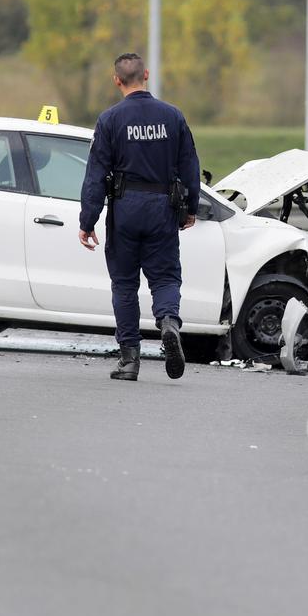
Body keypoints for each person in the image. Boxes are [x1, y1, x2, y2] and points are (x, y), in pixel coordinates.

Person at [78, 53, 201, 382]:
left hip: (125, 209)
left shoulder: (110, 120)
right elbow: (190, 165)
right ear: (145, 74)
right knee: (164, 278)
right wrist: (191, 208)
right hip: (162, 206)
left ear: (116, 79)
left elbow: (95, 174)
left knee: (124, 284)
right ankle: (169, 323)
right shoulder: (173, 116)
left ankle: (129, 361)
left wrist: (87, 220)